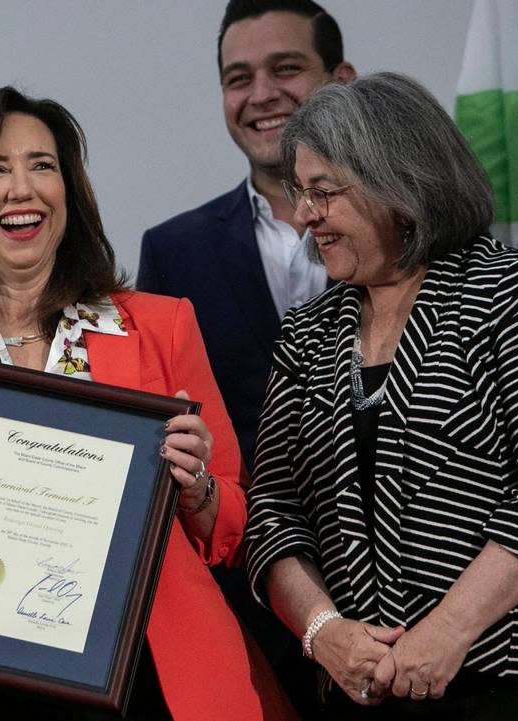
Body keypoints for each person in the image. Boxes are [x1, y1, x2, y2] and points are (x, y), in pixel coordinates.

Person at [0, 86, 295, 721]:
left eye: (42, 165)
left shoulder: (161, 326)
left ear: (71, 191)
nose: (21, 189)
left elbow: (232, 527)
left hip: (155, 679)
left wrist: (196, 483)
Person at [245, 72, 518, 719]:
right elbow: (273, 512)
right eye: (299, 193)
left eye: (323, 193)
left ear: (400, 184)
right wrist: (323, 631)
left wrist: (447, 629)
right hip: (355, 696)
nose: (305, 216)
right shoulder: (307, 335)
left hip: (511, 689)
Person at [135, 3, 355, 713]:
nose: (261, 94)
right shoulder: (173, 251)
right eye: (238, 77)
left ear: (341, 79)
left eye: (286, 68)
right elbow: (166, 441)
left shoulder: (413, 238)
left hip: (405, 590)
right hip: (248, 601)